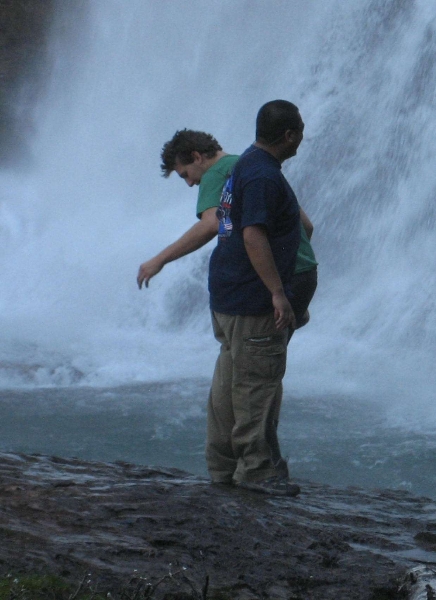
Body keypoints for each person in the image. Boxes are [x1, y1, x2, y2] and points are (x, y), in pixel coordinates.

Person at [206, 100, 307, 496]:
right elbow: (252, 235)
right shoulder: (264, 176)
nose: (302, 137)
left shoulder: (245, 164)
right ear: (289, 135)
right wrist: (278, 293)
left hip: (227, 293)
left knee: (228, 385)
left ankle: (222, 467)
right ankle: (257, 471)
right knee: (256, 386)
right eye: (301, 130)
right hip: (252, 299)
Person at [137, 130, 238, 289]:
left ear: (197, 157)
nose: (189, 183)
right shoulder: (240, 162)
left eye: (185, 174)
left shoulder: (213, 174)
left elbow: (211, 223)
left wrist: (159, 260)